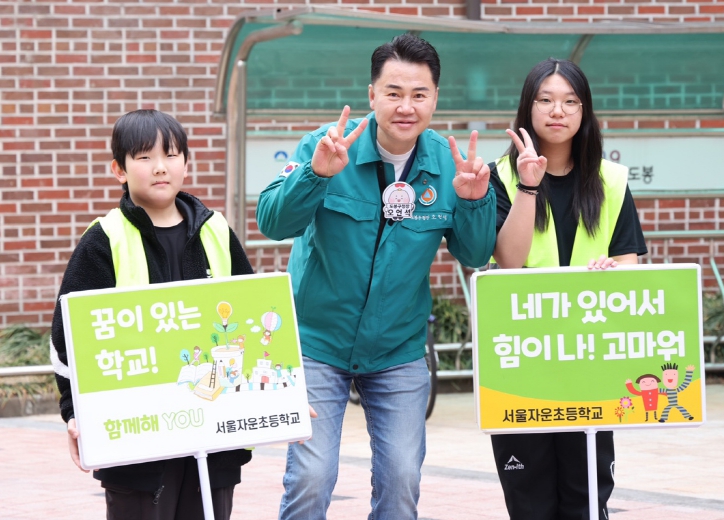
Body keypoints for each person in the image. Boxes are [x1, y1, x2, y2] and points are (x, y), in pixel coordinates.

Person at [256, 33, 497, 519]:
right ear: (371, 94)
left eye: (419, 94)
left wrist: (474, 202)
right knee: (311, 477)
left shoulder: (448, 164)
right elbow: (274, 223)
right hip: (317, 343)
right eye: (393, 92)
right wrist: (317, 175)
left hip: (397, 349)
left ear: (435, 98)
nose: (406, 107)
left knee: (402, 477)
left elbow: (474, 253)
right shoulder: (326, 145)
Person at [50, 109, 255, 520]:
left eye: (171, 155)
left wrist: (283, 395)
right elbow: (67, 337)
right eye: (144, 157)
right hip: (136, 444)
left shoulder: (217, 230)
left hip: (213, 437)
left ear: (186, 163)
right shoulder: (104, 239)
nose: (160, 167)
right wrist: (75, 412)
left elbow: (251, 316)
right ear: (119, 170)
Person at [488, 58, 647, 519]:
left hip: (588, 359)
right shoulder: (501, 175)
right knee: (529, 499)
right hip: (523, 362)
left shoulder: (611, 180)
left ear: (584, 111)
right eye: (546, 100)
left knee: (587, 496)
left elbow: (628, 261)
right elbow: (508, 259)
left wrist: (612, 271)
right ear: (528, 107)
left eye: (570, 102)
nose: (557, 111)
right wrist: (528, 185)